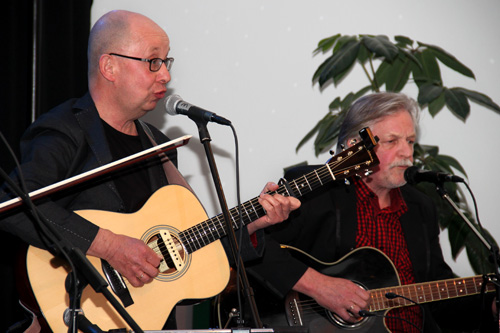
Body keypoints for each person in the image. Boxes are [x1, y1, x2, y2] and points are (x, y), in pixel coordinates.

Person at [0, 9, 300, 331]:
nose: (165, 76)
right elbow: (15, 208)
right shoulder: (65, 130)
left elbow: (184, 250)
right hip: (79, 312)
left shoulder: (158, 144)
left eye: (166, 63)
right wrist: (110, 246)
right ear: (109, 66)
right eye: (153, 62)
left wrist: (252, 223)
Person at [247, 92, 496, 332]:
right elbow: (250, 245)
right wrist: (319, 286)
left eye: (410, 141)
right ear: (355, 146)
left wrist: (492, 308)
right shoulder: (315, 189)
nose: (407, 153)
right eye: (391, 141)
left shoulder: (421, 207)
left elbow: (438, 295)